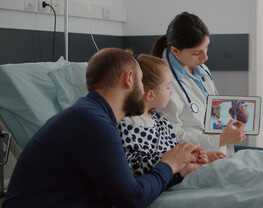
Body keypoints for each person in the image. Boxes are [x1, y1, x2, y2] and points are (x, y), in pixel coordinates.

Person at [3, 48, 204, 208]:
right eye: (141, 82)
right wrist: (168, 164)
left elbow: (121, 188)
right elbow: (132, 199)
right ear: (128, 79)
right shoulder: (93, 123)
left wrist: (178, 171)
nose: (143, 90)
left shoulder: (91, 116)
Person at [151, 12, 246, 155]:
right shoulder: (162, 80)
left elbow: (214, 109)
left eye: (206, 48)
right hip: (196, 157)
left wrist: (231, 125)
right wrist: (219, 140)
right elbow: (171, 135)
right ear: (175, 51)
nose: (205, 57)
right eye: (197, 53)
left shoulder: (201, 69)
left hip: (220, 150)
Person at [118, 54, 227, 177]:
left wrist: (197, 157)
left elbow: (175, 153)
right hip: (162, 184)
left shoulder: (163, 123)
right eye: (168, 87)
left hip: (177, 177)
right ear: (150, 95)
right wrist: (176, 163)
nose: (171, 91)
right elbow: (134, 166)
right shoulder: (128, 126)